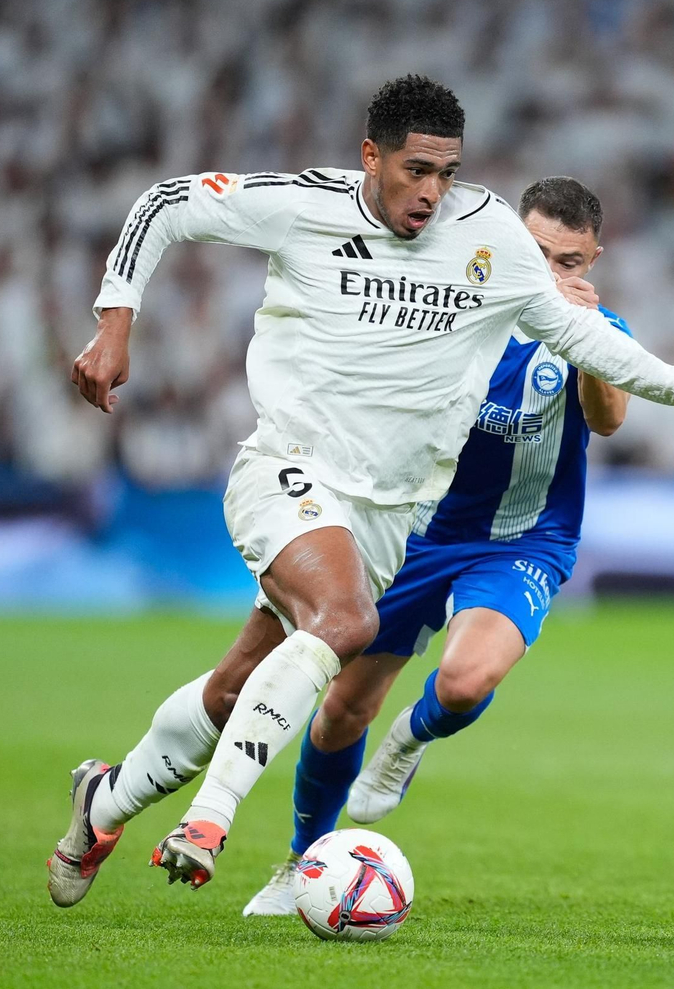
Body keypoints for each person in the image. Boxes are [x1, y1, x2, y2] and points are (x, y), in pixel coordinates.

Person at [49, 75, 674, 906]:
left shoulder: (487, 234)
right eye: (416, 170)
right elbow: (168, 201)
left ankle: (103, 801)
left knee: (238, 683)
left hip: (393, 514)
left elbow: (576, 331)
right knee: (345, 624)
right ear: (371, 157)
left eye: (446, 173)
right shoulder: (303, 206)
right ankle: (211, 819)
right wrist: (114, 321)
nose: (431, 192)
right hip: (291, 468)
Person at [240, 175, 625, 916]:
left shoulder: (594, 329)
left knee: (464, 681)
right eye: (537, 253)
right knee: (342, 708)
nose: (551, 274)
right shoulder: (445, 305)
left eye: (569, 262)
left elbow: (608, 422)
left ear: (593, 261)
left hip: (520, 541)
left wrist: (591, 339)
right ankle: (301, 864)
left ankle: (408, 744)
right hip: (415, 531)